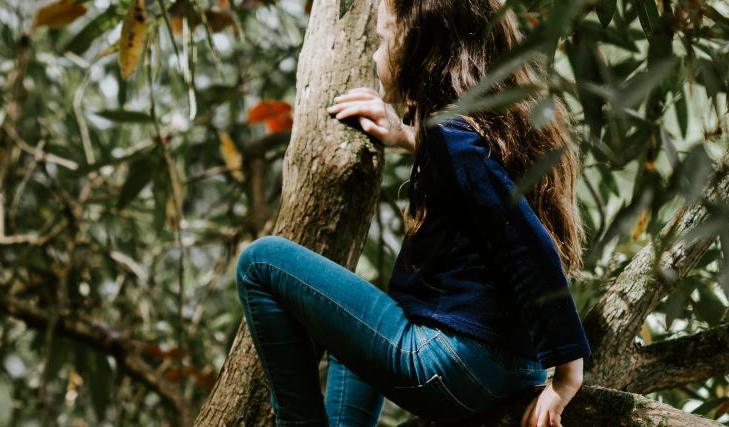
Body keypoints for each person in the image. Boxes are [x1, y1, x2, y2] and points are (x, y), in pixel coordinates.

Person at [233, 0, 590, 426]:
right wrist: (405, 135)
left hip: (453, 364)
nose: (375, 53)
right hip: (506, 369)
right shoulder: (492, 126)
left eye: (384, 40)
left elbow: (529, 248)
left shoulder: (450, 135)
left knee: (260, 263)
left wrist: (568, 374)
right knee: (354, 333)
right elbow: (480, 181)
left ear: (419, 45)